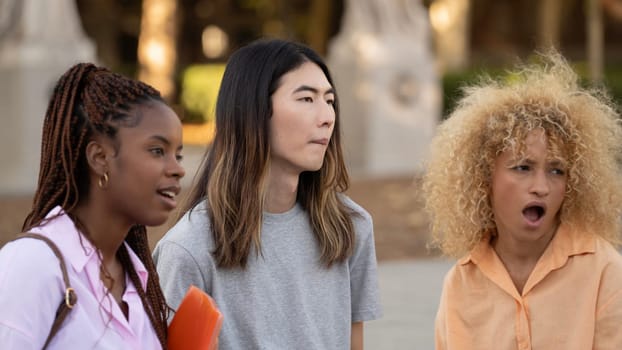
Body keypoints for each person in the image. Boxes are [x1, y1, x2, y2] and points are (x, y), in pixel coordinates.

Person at [152, 38, 382, 350]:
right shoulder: (187, 250)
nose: (327, 116)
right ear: (254, 111)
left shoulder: (350, 227)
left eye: (329, 101)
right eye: (306, 99)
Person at [423, 51, 622, 349]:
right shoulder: (461, 282)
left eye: (557, 170)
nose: (541, 187)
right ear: (485, 177)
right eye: (523, 168)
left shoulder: (604, 270)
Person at [0, 63, 185, 349]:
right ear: (100, 158)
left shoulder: (139, 280)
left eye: (178, 155)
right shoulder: (32, 265)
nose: (177, 170)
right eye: (157, 151)